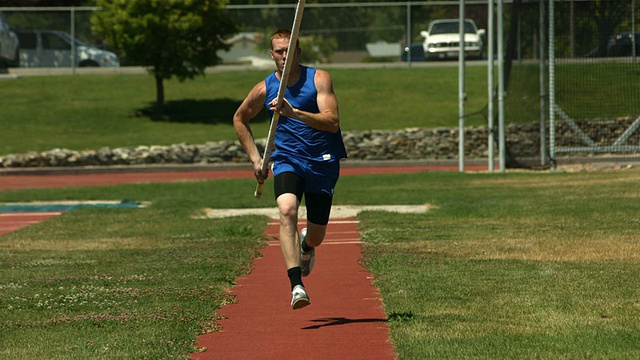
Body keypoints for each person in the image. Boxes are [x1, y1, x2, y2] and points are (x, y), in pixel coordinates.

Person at [233, 29, 347, 310]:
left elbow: (332, 121)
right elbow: (240, 118)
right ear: (271, 55)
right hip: (287, 159)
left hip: (322, 160)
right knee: (286, 210)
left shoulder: (319, 78)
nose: (284, 56)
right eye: (279, 51)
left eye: (289, 50)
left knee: (317, 235)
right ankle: (296, 285)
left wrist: (293, 112)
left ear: (297, 52)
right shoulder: (265, 87)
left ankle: (307, 247)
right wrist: (256, 159)